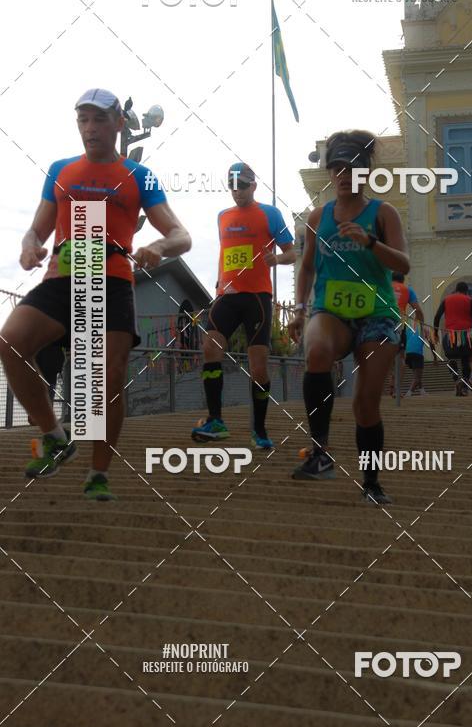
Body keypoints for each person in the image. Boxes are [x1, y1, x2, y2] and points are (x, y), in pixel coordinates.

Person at [0, 88, 191, 498]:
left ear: (119, 123)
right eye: (83, 120)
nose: (90, 128)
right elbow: (37, 229)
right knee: (10, 341)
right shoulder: (61, 170)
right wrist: (29, 246)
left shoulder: (139, 176)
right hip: (62, 279)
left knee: (108, 378)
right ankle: (55, 436)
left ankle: (98, 473)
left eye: (100, 119)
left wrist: (158, 246)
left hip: (112, 280)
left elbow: (182, 235)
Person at [288, 129, 410, 505]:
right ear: (330, 174)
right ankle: (320, 452)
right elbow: (307, 267)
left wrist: (370, 242)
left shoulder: (383, 213)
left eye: (352, 168)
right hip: (331, 310)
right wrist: (299, 309)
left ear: (366, 173)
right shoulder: (319, 216)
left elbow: (403, 264)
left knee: (365, 404)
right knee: (316, 351)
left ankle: (371, 483)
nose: (344, 175)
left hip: (376, 314)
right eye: (337, 168)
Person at [191, 163, 295, 449]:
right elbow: (225, 252)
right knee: (210, 347)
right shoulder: (222, 216)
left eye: (243, 186)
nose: (237, 191)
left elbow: (292, 253)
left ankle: (259, 430)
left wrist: (277, 259)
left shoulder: (270, 213)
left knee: (258, 365)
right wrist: (218, 283)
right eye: (233, 186)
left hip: (257, 298)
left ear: (254, 186)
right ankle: (216, 420)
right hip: (227, 295)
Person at [433, 283, 472, 396]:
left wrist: (435, 332)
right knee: (465, 360)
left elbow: (437, 316)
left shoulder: (446, 300)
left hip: (451, 335)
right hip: (466, 335)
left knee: (451, 359)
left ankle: (456, 381)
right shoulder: (469, 300)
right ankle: (464, 386)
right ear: (466, 291)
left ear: (456, 290)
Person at [391, 273, 423, 397]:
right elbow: (418, 310)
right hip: (399, 325)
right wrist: (420, 323)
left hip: (381, 323)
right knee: (400, 357)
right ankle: (396, 389)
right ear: (403, 280)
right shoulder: (407, 290)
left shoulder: (384, 286)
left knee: (382, 355)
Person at [403, 326, 428, 396]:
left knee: (417, 375)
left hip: (408, 354)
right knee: (417, 377)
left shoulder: (409, 330)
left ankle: (422, 390)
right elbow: (431, 343)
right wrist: (435, 357)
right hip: (417, 353)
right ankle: (409, 392)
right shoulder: (424, 329)